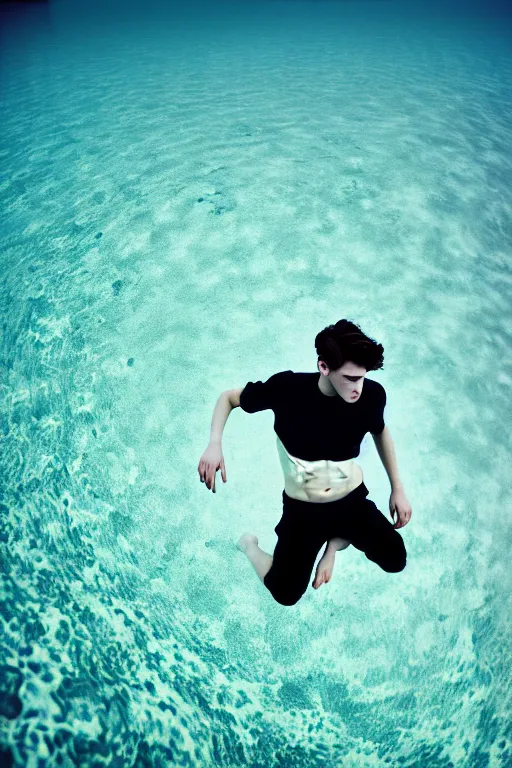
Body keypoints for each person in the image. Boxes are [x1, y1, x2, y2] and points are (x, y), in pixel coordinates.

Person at [197, 319, 412, 606]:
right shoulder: (288, 389)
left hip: (350, 501)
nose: (358, 387)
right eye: (349, 378)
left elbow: (380, 430)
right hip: (303, 511)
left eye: (362, 377)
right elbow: (229, 398)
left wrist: (397, 487)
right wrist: (214, 443)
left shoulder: (371, 396)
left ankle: (333, 544)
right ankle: (249, 546)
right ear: (324, 367)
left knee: (396, 558)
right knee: (285, 593)